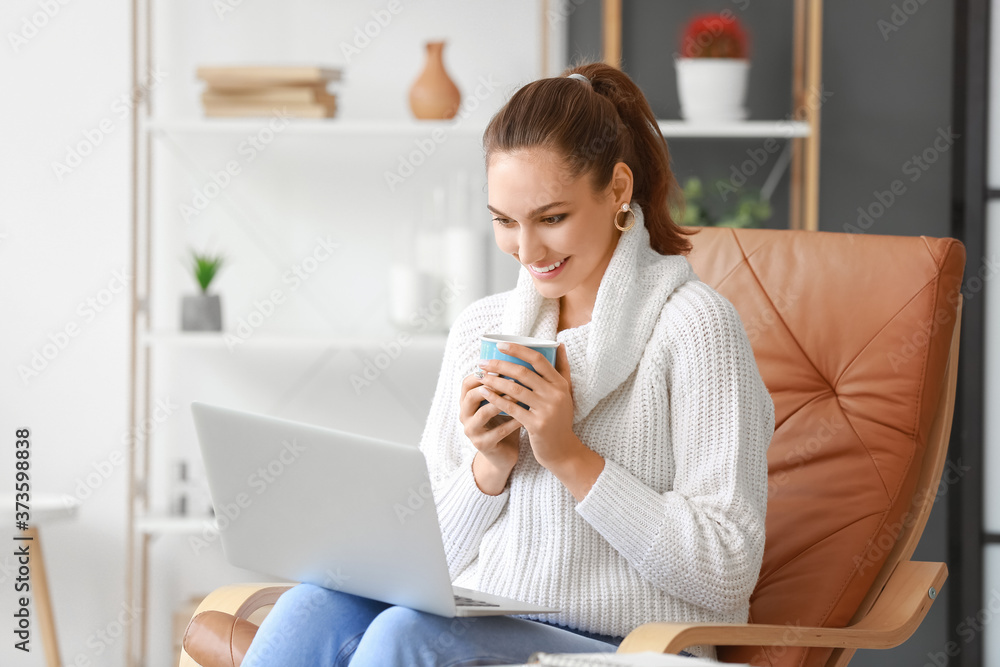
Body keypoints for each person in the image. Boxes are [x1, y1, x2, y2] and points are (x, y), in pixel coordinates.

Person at [184, 60, 775, 667]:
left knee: (404, 638)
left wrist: (571, 459)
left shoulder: (695, 328)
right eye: (503, 222)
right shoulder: (480, 331)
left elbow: (726, 571)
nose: (527, 250)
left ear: (618, 190)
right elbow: (420, 558)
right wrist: (488, 468)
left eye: (551, 218)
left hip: (629, 646)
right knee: (312, 603)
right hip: (487, 618)